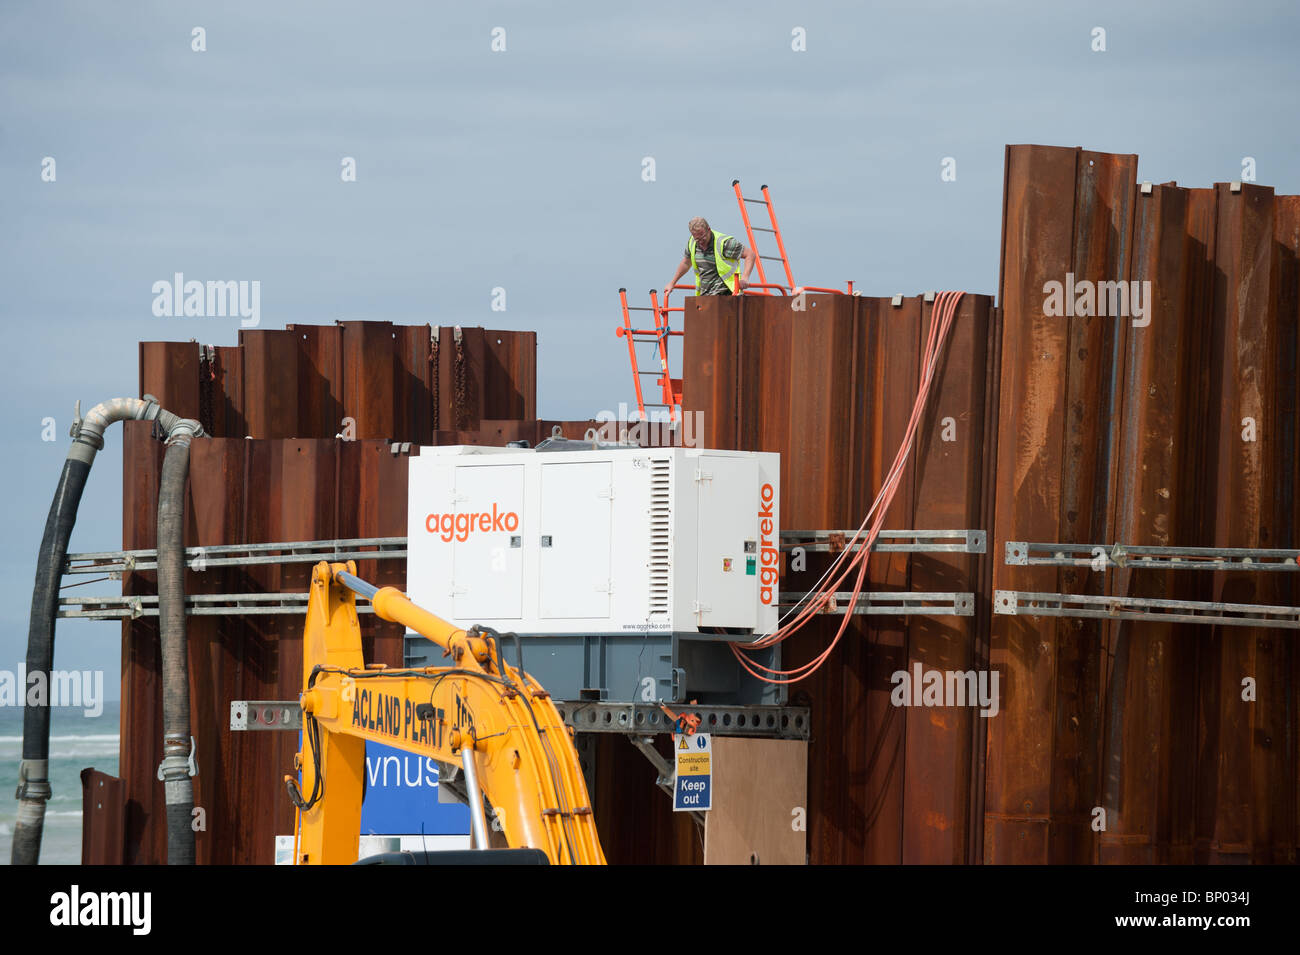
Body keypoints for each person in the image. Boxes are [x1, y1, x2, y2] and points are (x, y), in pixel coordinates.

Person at [663, 217, 757, 304]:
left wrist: (745, 278)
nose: (701, 242)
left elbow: (750, 255)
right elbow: (686, 263)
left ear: (708, 229)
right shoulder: (692, 243)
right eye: (697, 239)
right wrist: (672, 283)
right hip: (705, 294)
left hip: (726, 294)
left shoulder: (724, 243)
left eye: (702, 237)